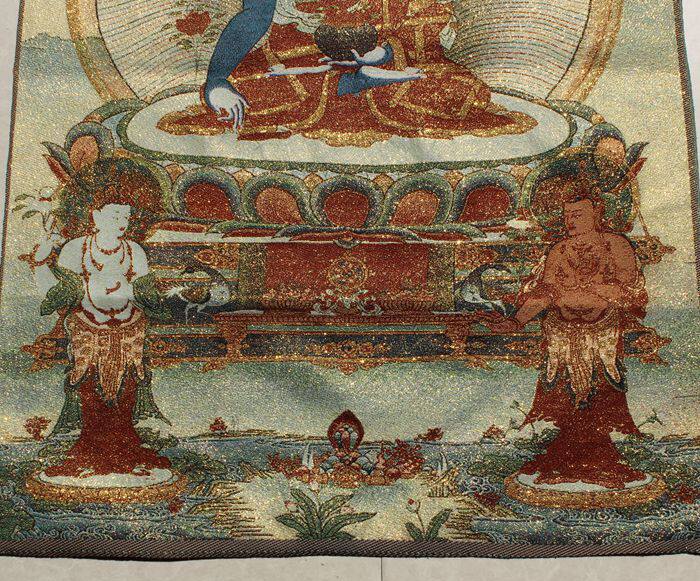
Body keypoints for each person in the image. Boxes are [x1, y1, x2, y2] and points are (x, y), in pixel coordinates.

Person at [159, 0, 535, 145]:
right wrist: (217, 81)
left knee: (459, 90)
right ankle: (352, 84)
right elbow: (253, 19)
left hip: (383, 61)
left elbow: (423, 27)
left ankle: (358, 80)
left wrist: (385, 52)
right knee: (250, 90)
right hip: (302, 66)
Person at [509, 181, 649, 489]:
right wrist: (516, 321)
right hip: (561, 333)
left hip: (602, 331)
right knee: (563, 394)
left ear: (597, 212)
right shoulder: (558, 250)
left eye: (578, 214)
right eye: (566, 215)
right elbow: (544, 293)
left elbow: (630, 291)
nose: (570, 221)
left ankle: (601, 460)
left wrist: (594, 289)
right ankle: (564, 459)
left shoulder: (615, 245)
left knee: (600, 393)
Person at [40, 194, 172, 478]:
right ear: (96, 216)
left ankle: (125, 448)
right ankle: (90, 449)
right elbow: (58, 289)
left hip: (129, 326)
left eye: (125, 217)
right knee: (89, 383)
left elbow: (143, 291)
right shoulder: (76, 248)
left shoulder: (134, 250)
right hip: (87, 325)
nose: (121, 222)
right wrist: (41, 261)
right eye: (114, 216)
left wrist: (144, 297)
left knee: (128, 384)